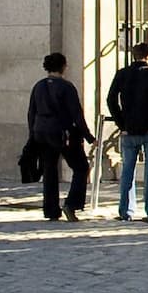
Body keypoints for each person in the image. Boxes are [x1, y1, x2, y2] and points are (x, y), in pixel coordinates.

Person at [27, 52, 91, 222]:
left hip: (41, 132)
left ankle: (50, 209)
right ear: (63, 66)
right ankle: (72, 204)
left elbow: (31, 113)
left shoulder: (38, 86)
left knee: (49, 171)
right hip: (62, 132)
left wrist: (32, 134)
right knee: (81, 167)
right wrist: (89, 136)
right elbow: (76, 114)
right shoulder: (66, 87)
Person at [106, 42, 148, 222]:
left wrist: (121, 123)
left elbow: (111, 100)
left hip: (129, 129)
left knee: (127, 171)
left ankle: (126, 210)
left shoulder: (123, 73)